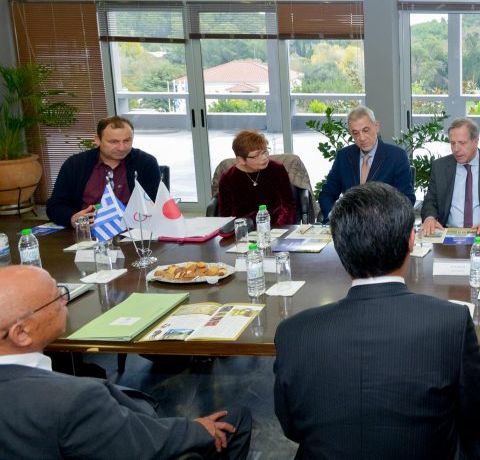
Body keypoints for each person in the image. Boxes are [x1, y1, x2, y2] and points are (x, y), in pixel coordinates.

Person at [274, 182, 480, 459]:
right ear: (411, 241)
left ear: (339, 246)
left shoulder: (293, 333)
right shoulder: (451, 322)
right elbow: (471, 417)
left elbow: (292, 427)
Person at [0, 265, 251, 460]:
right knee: (235, 420)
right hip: (139, 440)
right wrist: (198, 428)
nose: (65, 300)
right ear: (21, 333)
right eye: (56, 298)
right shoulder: (73, 400)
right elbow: (144, 446)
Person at [46, 115, 160, 229]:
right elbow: (55, 206)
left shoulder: (145, 163)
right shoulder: (75, 164)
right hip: (88, 230)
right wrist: (71, 218)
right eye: (113, 142)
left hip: (133, 230)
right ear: (98, 140)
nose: (121, 148)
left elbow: (156, 205)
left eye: (127, 141)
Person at [420, 117, 480, 237]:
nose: (456, 149)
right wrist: (429, 218)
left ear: (475, 141)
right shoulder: (440, 166)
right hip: (448, 233)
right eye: (453, 143)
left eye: (462, 143)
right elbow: (430, 200)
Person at [317, 105, 415, 219]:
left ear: (376, 126)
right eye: (355, 133)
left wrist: (386, 220)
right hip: (350, 224)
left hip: (383, 223)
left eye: (366, 130)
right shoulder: (344, 156)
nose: (362, 138)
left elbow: (406, 199)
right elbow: (327, 194)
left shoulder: (397, 156)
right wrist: (334, 216)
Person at [217, 129, 296, 226]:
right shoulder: (228, 178)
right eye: (256, 155)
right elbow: (226, 215)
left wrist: (279, 227)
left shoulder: (277, 169)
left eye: (265, 152)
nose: (264, 158)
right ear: (241, 160)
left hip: (276, 225)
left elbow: (288, 205)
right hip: (243, 227)